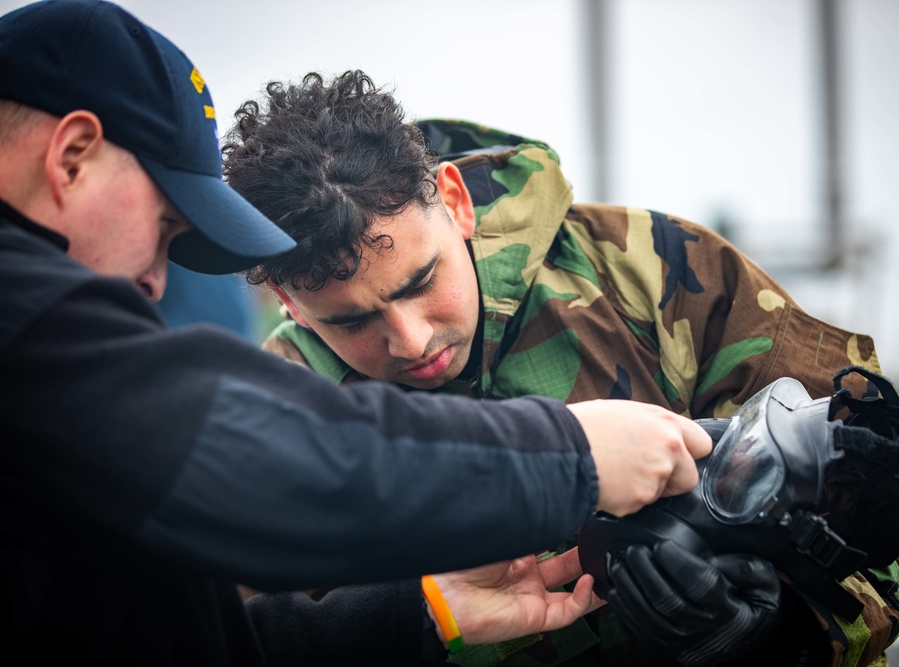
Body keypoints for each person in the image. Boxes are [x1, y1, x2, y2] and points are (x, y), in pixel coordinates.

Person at [0, 3, 713, 664]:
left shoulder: (643, 263)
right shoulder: (20, 310)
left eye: (417, 282)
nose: (156, 281)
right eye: (162, 230)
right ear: (71, 158)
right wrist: (573, 455)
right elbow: (273, 461)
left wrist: (422, 609)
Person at [222, 70, 899, 666]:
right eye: (351, 320)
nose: (409, 340)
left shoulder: (653, 270)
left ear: (453, 199)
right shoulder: (269, 424)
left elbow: (893, 494)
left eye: (418, 282)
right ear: (287, 297)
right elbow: (236, 644)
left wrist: (781, 631)